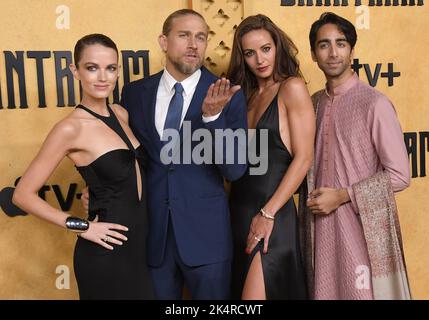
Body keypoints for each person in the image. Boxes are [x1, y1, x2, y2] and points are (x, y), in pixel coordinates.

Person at [12, 34, 155, 299]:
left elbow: (119, 176)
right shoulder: (70, 128)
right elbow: (21, 195)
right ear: (75, 71)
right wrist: (84, 227)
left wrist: (94, 187)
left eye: (110, 68)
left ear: (117, 71)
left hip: (138, 251)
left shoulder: (121, 114)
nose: (102, 77)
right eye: (92, 68)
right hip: (104, 256)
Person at [118, 9, 247, 299]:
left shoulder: (228, 95)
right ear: (163, 41)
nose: (194, 44)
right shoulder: (135, 93)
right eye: (184, 35)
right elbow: (128, 158)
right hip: (154, 237)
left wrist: (213, 120)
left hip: (207, 239)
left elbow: (235, 169)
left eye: (201, 37)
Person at [304, 12, 411, 299]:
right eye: (324, 45)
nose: (333, 52)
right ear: (313, 54)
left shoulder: (374, 104)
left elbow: (400, 175)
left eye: (341, 43)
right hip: (320, 230)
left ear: (352, 50)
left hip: (361, 228)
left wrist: (342, 195)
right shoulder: (312, 104)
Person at [226, 14, 315, 299]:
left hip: (272, 215)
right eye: (250, 53)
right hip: (237, 213)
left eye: (266, 49)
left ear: (277, 46)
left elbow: (303, 158)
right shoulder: (245, 96)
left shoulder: (292, 88)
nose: (260, 60)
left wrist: (267, 214)